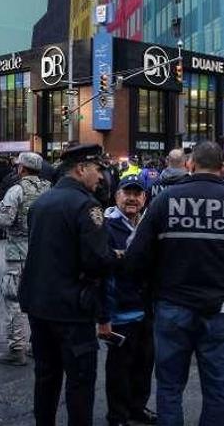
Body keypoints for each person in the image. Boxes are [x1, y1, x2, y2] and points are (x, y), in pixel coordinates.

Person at [124, 141, 224, 426]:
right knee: (216, 389)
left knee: (169, 387)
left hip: (172, 305)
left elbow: (136, 258)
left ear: (190, 165)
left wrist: (151, 291)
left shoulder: (165, 200)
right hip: (221, 307)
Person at [19, 143, 121, 426]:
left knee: (46, 376)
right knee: (80, 381)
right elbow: (96, 262)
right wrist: (117, 256)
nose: (101, 177)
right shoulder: (87, 206)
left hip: (39, 305)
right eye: (97, 169)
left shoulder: (42, 201)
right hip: (72, 309)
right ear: (81, 169)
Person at [100, 175, 157, 426]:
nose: (132, 198)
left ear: (145, 198)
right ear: (117, 196)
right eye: (127, 193)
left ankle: (137, 408)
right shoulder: (105, 226)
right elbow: (101, 273)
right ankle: (118, 415)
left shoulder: (148, 224)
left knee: (144, 363)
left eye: (138, 193)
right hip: (120, 309)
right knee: (119, 368)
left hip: (146, 308)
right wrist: (104, 316)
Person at [0, 152, 51, 366]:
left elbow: (3, 219)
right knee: (40, 300)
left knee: (14, 300)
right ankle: (38, 345)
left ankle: (16, 348)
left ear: (21, 168)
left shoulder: (16, 189)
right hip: (43, 252)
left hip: (18, 252)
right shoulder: (49, 188)